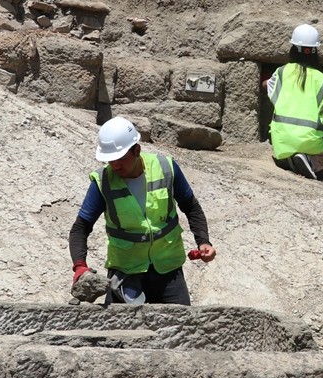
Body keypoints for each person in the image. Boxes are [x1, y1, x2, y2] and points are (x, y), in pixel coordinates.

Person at [69, 117, 216, 305]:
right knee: (118, 332)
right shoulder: (102, 181)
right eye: (110, 160)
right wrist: (80, 266)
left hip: (167, 270)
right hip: (125, 274)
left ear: (137, 150)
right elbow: (81, 227)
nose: (115, 166)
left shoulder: (166, 168)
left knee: (180, 329)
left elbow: (191, 207)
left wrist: (203, 241)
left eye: (120, 159)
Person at [263, 23, 323, 182]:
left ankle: (289, 161)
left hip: (281, 139)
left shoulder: (281, 72)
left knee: (281, 151)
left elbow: (270, 89)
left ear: (292, 49)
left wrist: (265, 81)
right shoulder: (321, 79)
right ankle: (308, 160)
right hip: (310, 140)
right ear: (315, 52)